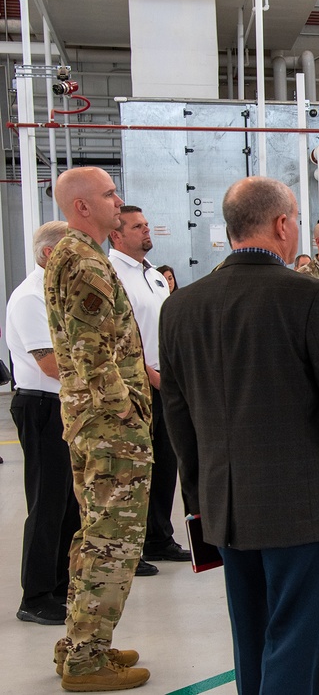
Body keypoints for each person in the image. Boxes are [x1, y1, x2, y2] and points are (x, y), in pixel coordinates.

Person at [159, 176, 319, 694]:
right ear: (282, 224)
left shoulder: (181, 306)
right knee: (301, 642)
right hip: (304, 511)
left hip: (228, 509)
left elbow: (178, 415)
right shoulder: (309, 297)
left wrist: (200, 502)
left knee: (254, 636)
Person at [45, 167, 152, 691]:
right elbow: (93, 354)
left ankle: (80, 643)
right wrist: (127, 411)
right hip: (110, 429)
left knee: (93, 537)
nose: (118, 201)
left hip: (89, 423)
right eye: (110, 195)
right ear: (83, 206)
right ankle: (88, 658)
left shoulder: (69, 255)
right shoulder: (84, 261)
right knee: (114, 540)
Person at [6, 221, 80, 627]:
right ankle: (34, 596)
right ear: (50, 254)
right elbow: (50, 363)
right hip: (41, 406)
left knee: (68, 503)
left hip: (63, 404)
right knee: (47, 502)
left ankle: (56, 586)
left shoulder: (58, 294)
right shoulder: (31, 297)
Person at [109, 207, 191, 573]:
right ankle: (131, 549)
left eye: (146, 224)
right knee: (134, 470)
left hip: (164, 381)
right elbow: (117, 341)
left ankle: (158, 537)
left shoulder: (154, 276)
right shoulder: (112, 275)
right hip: (133, 386)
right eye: (137, 226)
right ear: (117, 234)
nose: (146, 230)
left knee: (164, 464)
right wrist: (154, 377)